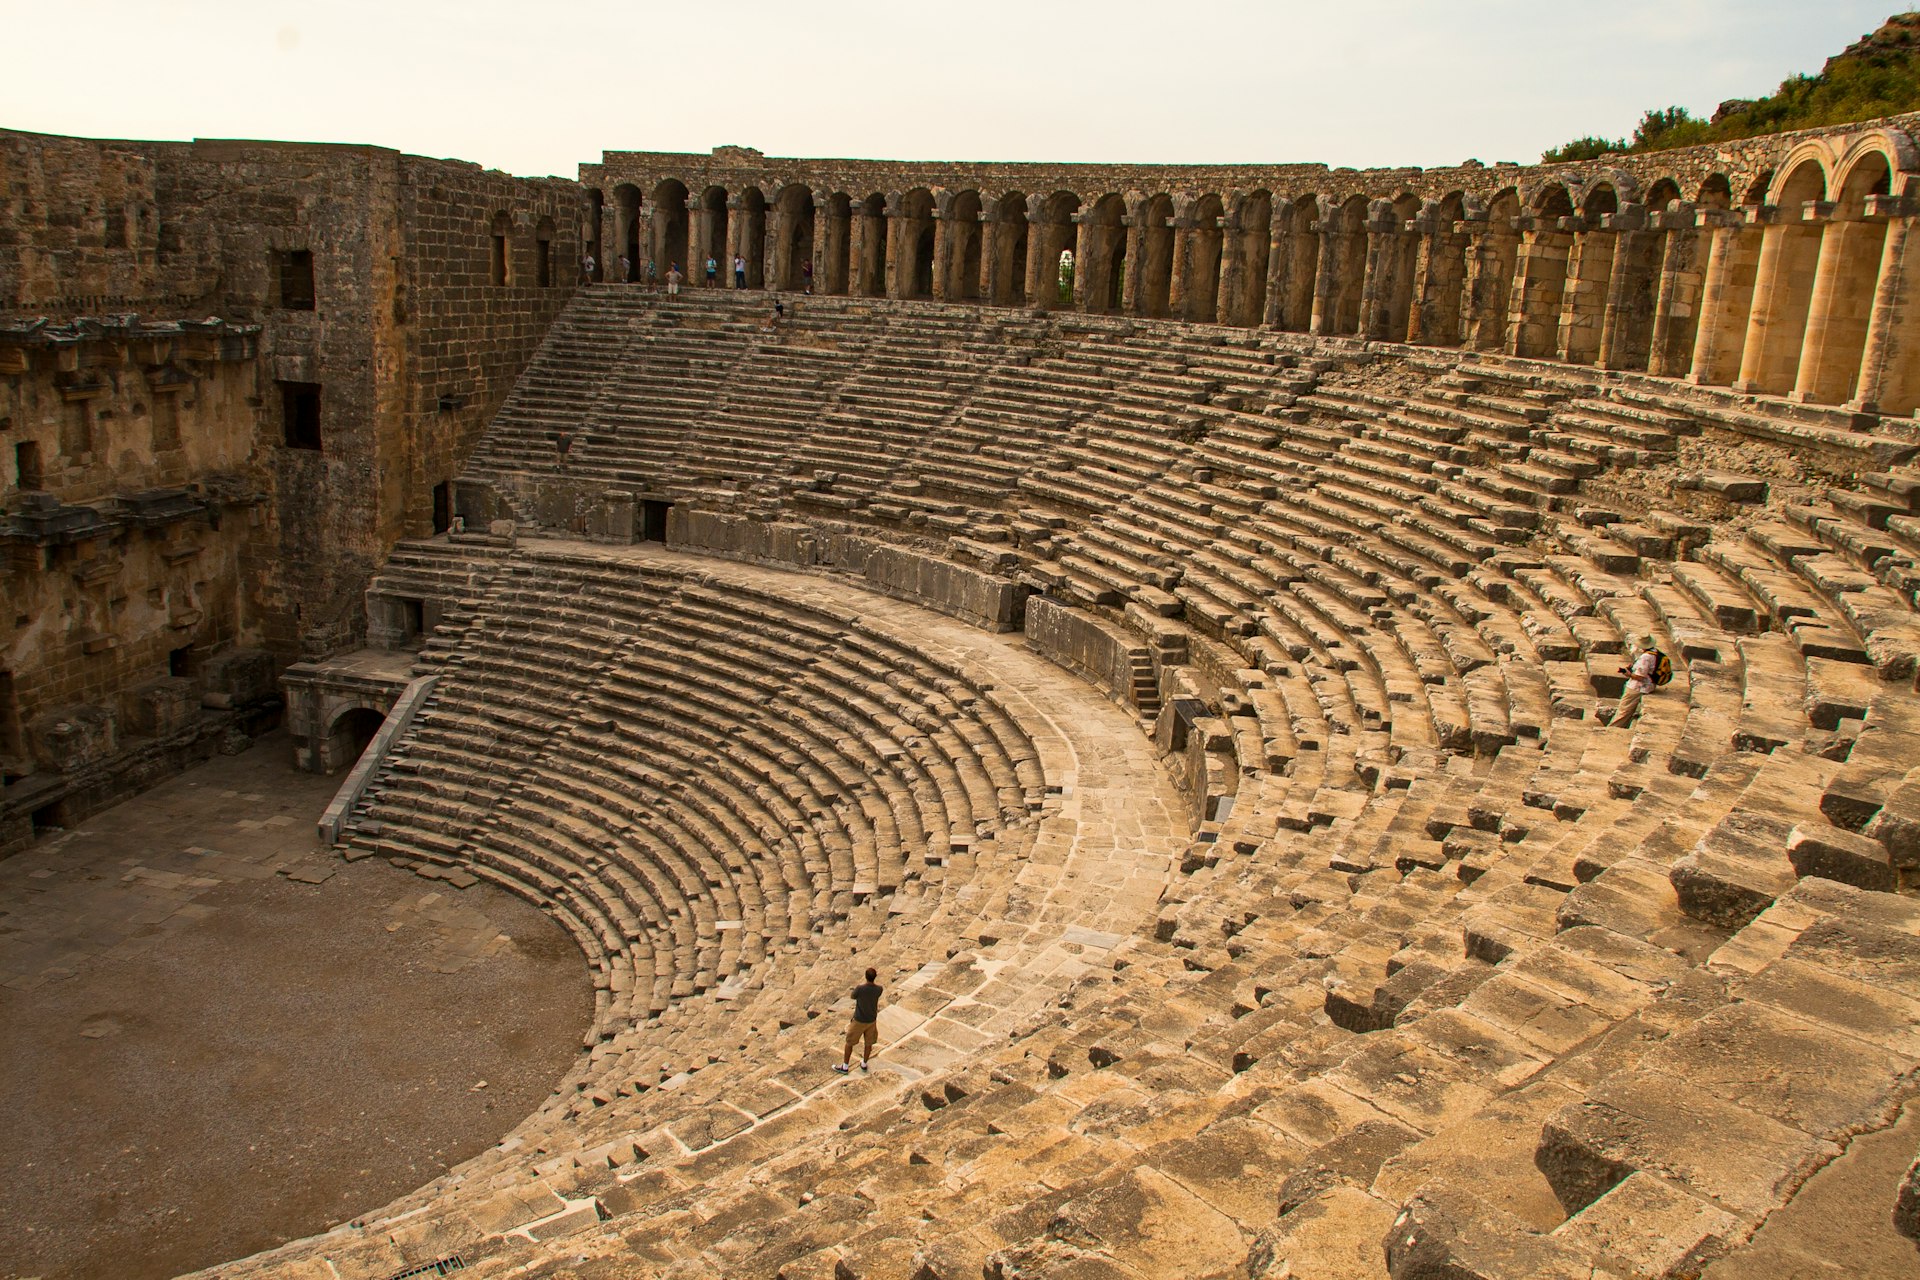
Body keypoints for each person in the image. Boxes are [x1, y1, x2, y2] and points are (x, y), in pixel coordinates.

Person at [834, 968, 883, 1073]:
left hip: (859, 1020)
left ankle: (845, 1066)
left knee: (849, 1042)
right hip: (871, 1020)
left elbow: (853, 996)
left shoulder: (860, 988)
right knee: (868, 1044)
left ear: (865, 976)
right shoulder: (879, 989)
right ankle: (864, 1063)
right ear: (875, 977)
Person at [1611, 634, 1661, 729]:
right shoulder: (1655, 652)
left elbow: (1640, 677)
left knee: (1623, 711)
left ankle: (1613, 729)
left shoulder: (1645, 657)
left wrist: (1628, 674)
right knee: (1624, 711)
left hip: (1638, 687)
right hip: (1649, 684)